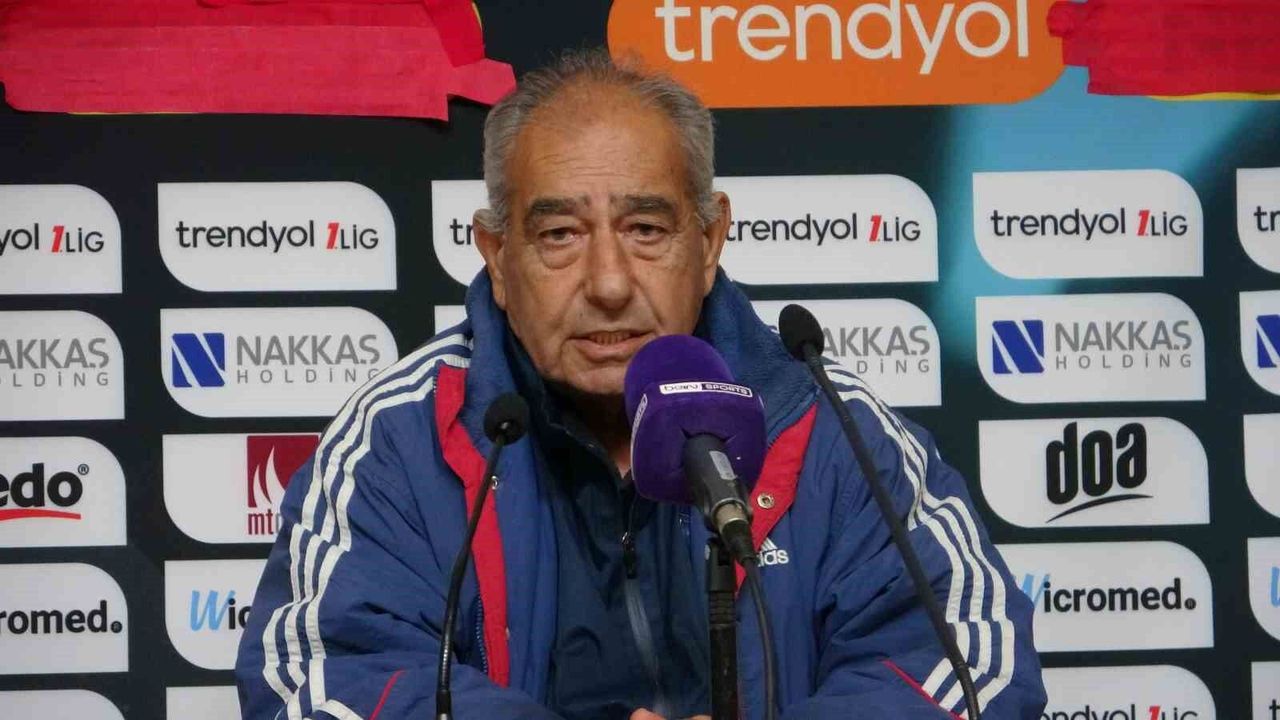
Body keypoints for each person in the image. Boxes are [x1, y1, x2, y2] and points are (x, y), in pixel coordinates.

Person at [235, 48, 1046, 720]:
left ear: (710, 240)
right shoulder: (401, 440)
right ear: (497, 257)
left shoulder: (831, 428)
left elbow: (970, 669)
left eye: (646, 229)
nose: (610, 283)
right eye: (560, 234)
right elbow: (320, 682)